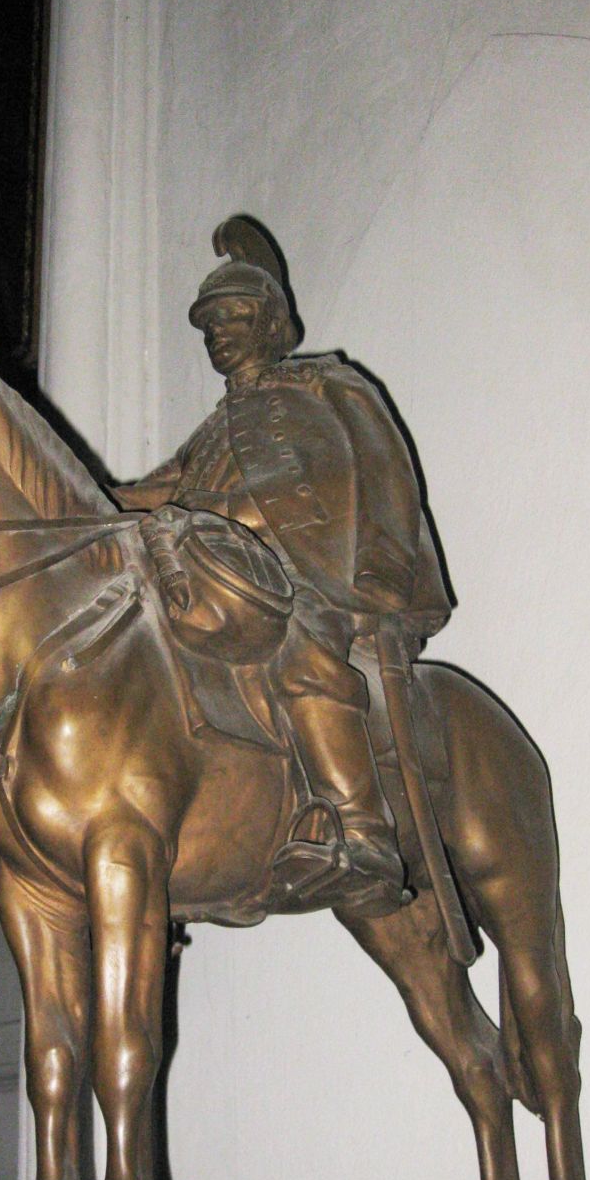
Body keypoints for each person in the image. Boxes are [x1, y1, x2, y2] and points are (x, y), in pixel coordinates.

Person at [113, 219, 450, 910]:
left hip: (312, 575)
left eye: (233, 317)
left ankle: (363, 833)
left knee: (297, 651)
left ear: (270, 323)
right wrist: (64, 501)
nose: (219, 333)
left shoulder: (326, 383)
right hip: (231, 582)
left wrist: (382, 570)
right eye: (209, 325)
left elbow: (386, 469)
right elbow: (151, 488)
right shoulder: (213, 430)